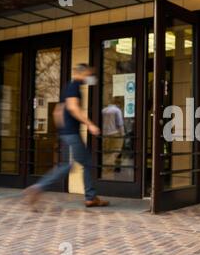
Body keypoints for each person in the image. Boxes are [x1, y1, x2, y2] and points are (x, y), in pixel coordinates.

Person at [23, 63, 109, 208]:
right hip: (71, 134)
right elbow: (73, 108)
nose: (90, 78)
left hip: (67, 133)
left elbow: (56, 112)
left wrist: (62, 131)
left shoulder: (67, 87)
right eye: (88, 74)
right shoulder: (74, 86)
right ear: (81, 73)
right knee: (67, 166)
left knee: (84, 162)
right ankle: (38, 187)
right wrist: (90, 124)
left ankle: (91, 197)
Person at [101, 96, 125, 176]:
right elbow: (120, 124)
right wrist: (123, 135)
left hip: (104, 134)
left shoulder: (103, 110)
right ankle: (109, 170)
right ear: (119, 103)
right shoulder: (117, 110)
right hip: (115, 134)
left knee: (106, 153)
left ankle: (104, 168)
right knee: (115, 152)